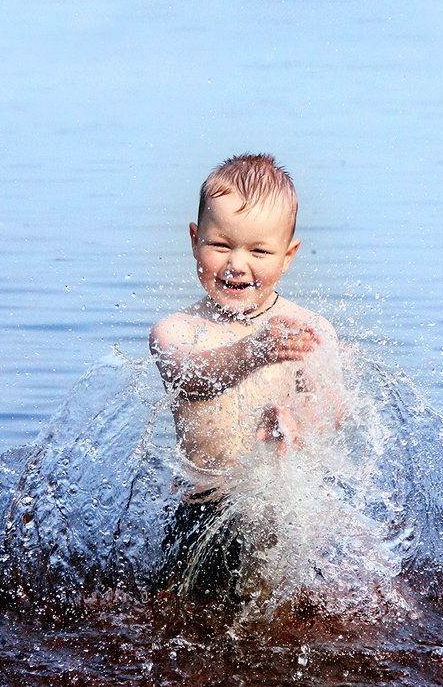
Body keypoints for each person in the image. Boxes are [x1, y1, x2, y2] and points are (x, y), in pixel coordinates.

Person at [148, 153, 345, 612]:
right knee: (183, 621)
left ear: (288, 255)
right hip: (203, 515)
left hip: (289, 514)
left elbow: (334, 415)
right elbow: (191, 378)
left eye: (258, 251)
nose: (237, 265)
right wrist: (252, 353)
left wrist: (296, 427)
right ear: (195, 240)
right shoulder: (175, 331)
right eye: (220, 245)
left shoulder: (309, 330)